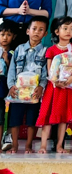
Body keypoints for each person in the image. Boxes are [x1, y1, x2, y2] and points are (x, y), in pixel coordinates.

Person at [36, 16, 72, 154]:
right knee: (47, 115)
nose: (69, 31)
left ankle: (59, 146)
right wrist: (55, 80)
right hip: (54, 88)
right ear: (57, 31)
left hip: (68, 88)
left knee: (63, 117)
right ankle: (43, 145)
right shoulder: (51, 50)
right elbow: (51, 70)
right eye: (65, 28)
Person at [6, 16, 48, 154]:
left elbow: (45, 72)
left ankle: (29, 145)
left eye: (41, 30)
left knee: (32, 120)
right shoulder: (19, 49)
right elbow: (12, 69)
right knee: (15, 119)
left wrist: (41, 86)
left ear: (45, 33)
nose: (37, 32)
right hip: (18, 91)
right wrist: (11, 85)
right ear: (27, 31)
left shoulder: (45, 51)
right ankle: (15, 145)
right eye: (34, 28)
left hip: (34, 92)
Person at [0, 21, 15, 134]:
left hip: (4, 88)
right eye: (2, 34)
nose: (5, 38)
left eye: (8, 35)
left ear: (14, 37)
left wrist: (6, 60)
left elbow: (13, 71)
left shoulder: (13, 53)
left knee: (3, 116)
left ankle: (4, 141)